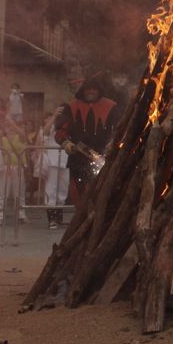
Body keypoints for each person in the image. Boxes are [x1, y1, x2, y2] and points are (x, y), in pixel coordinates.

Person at [53, 75, 117, 211]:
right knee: (79, 194)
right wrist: (66, 143)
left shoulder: (111, 106)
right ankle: (81, 217)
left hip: (103, 156)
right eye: (88, 89)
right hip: (78, 158)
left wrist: (113, 143)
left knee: (102, 192)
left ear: (99, 90)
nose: (90, 91)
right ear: (83, 91)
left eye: (94, 89)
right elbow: (60, 131)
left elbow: (119, 128)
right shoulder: (71, 107)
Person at [38, 110, 67, 229]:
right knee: (51, 189)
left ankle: (59, 217)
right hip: (52, 162)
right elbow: (45, 131)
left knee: (63, 189)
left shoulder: (67, 127)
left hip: (65, 161)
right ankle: (52, 218)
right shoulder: (51, 127)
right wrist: (54, 116)